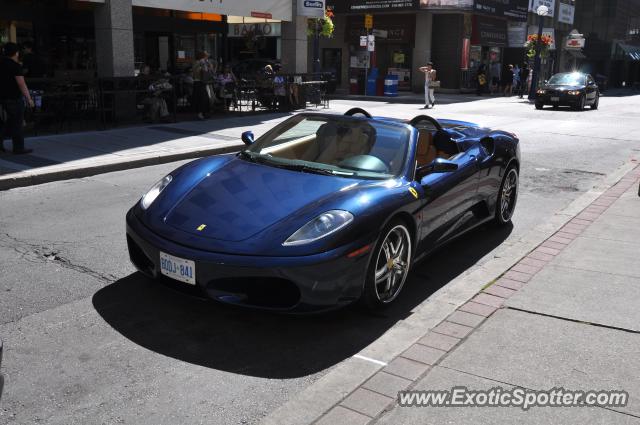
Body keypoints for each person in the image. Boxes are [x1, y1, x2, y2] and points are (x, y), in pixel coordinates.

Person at [0, 43, 34, 154]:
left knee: (2, 122)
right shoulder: (15, 66)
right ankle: (18, 147)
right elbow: (21, 84)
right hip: (12, 97)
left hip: (1, 97)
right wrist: (29, 98)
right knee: (17, 122)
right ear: (16, 53)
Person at [192, 51, 215, 120]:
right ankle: (200, 113)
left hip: (204, 82)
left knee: (206, 99)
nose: (207, 56)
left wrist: (207, 63)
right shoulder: (197, 62)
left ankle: (204, 113)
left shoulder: (205, 62)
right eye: (206, 55)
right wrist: (202, 63)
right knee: (201, 99)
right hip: (198, 82)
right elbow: (197, 71)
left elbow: (211, 70)